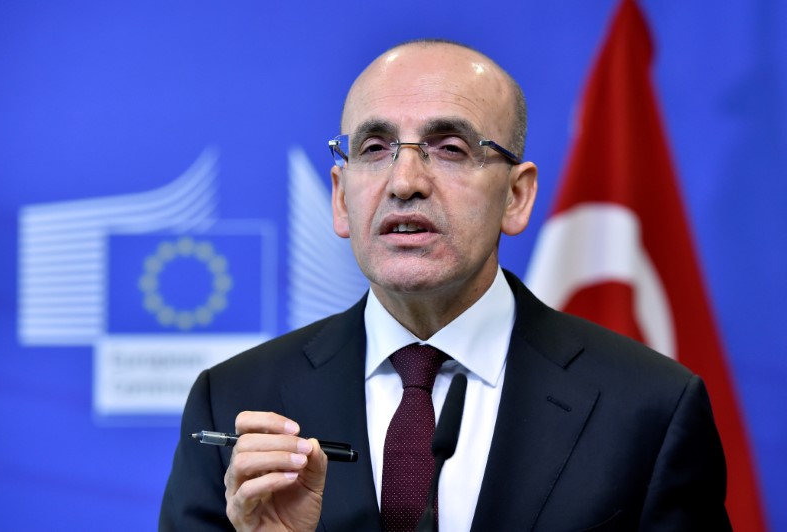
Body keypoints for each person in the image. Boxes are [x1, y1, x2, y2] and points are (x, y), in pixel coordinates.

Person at [160, 39, 731, 531]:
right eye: (375, 148)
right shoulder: (234, 403)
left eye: (450, 148)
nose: (405, 182)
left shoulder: (649, 409)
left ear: (517, 196)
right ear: (340, 197)